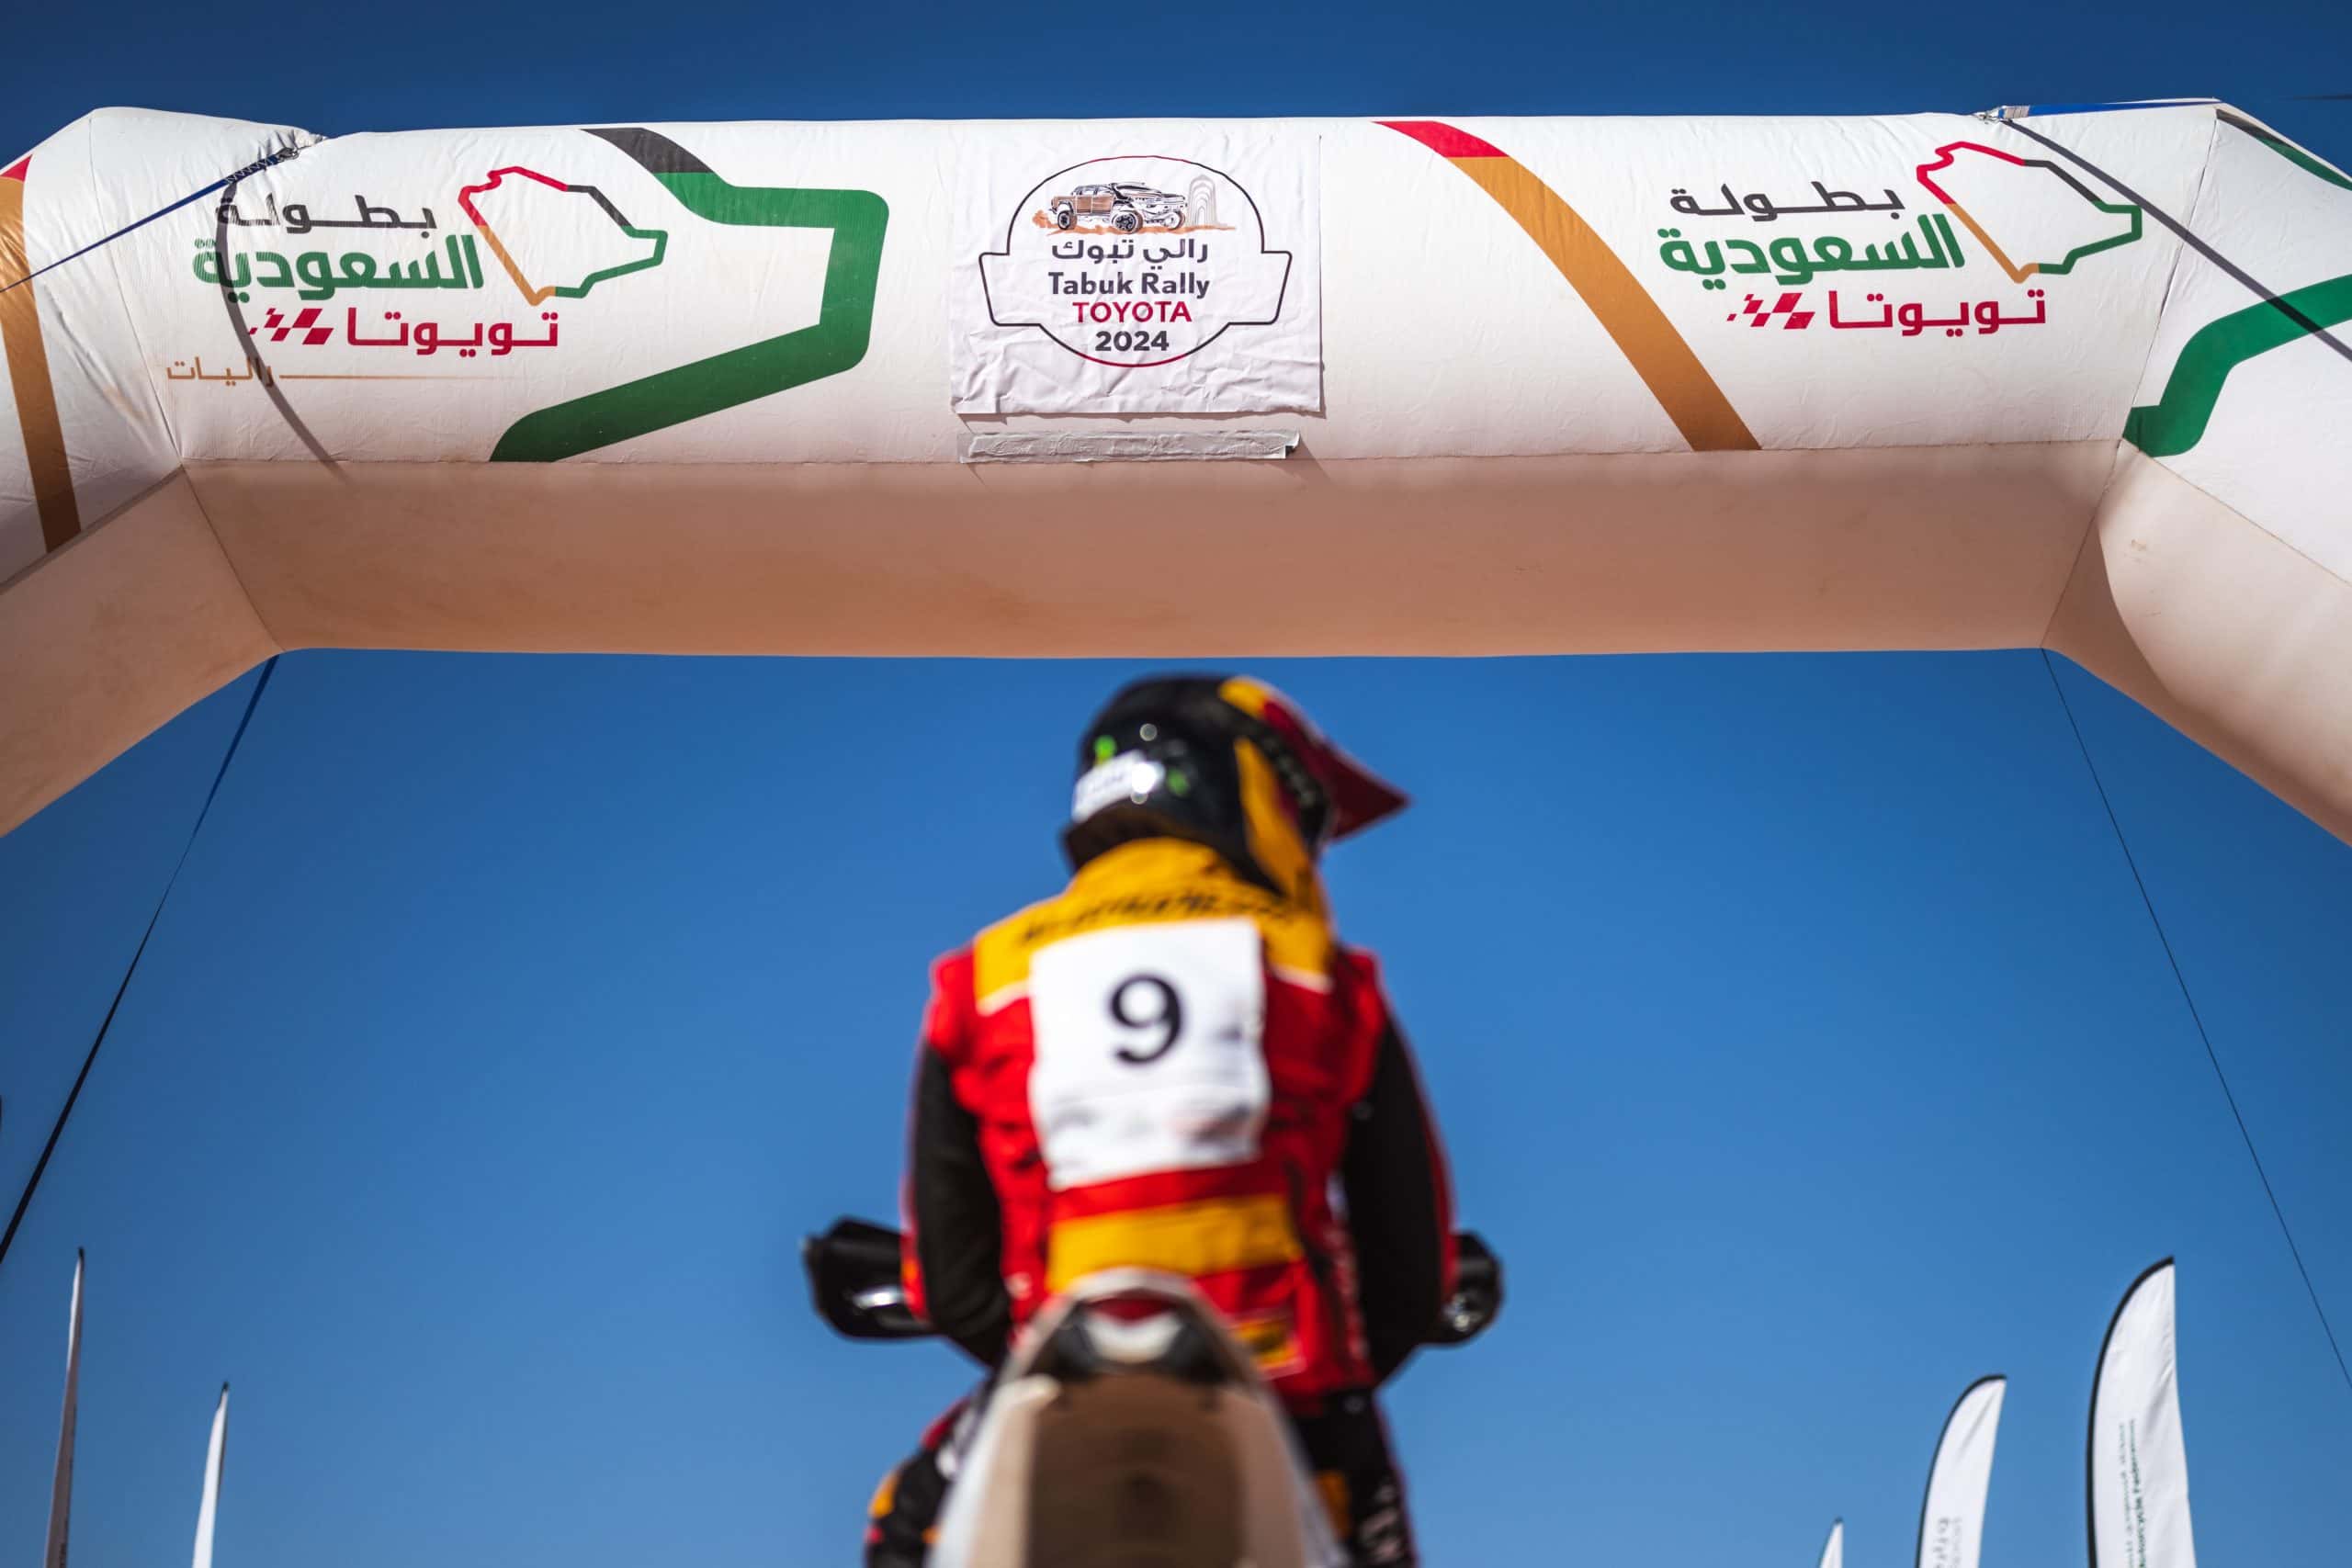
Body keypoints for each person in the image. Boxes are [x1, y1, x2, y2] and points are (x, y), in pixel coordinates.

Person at [865, 674, 1457, 1568]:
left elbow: (953, 1281)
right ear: (1254, 792)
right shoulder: (1325, 972)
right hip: (1291, 1395)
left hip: (1055, 1381)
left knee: (903, 1528)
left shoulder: (978, 979)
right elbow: (1409, 1270)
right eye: (1309, 823)